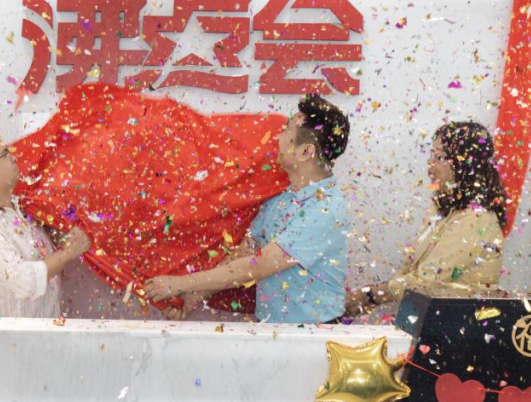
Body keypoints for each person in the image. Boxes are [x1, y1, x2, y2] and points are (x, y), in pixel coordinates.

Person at [144, 94, 350, 323]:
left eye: (286, 131)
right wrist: (193, 298)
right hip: (270, 329)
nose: (278, 137)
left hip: (315, 333)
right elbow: (246, 252)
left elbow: (260, 265)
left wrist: (180, 283)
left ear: (305, 152)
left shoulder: (326, 209)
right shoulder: (282, 197)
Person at [343, 121, 505, 315]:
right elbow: (413, 270)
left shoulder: (476, 218)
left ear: (464, 164)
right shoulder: (445, 210)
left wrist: (372, 295)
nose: (430, 164)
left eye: (439, 157)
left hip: (459, 322)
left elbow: (429, 279)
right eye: (432, 155)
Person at [0, 124, 90, 318]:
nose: (13, 158)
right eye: (4, 154)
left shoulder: (24, 208)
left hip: (49, 330)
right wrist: (69, 252)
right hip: (11, 336)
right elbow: (21, 280)